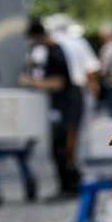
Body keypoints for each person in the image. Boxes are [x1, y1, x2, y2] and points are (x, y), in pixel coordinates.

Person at [19, 18, 80, 199]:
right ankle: (66, 186)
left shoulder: (55, 52)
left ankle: (69, 187)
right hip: (60, 106)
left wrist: (31, 82)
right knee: (57, 148)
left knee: (62, 148)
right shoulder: (49, 51)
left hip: (66, 105)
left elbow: (58, 83)